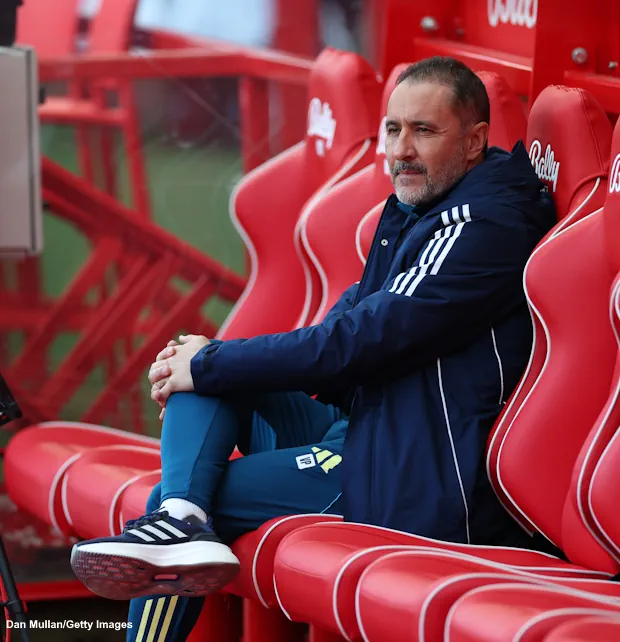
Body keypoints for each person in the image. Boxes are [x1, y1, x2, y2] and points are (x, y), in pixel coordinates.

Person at [70, 56, 556, 640]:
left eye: (424, 131)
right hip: (366, 423)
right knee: (205, 378)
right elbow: (345, 326)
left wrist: (213, 363)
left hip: (403, 472)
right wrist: (205, 363)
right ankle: (179, 519)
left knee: (204, 431)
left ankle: (177, 519)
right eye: (393, 129)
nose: (402, 149)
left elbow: (361, 340)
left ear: (474, 141)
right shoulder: (421, 205)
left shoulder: (484, 225)